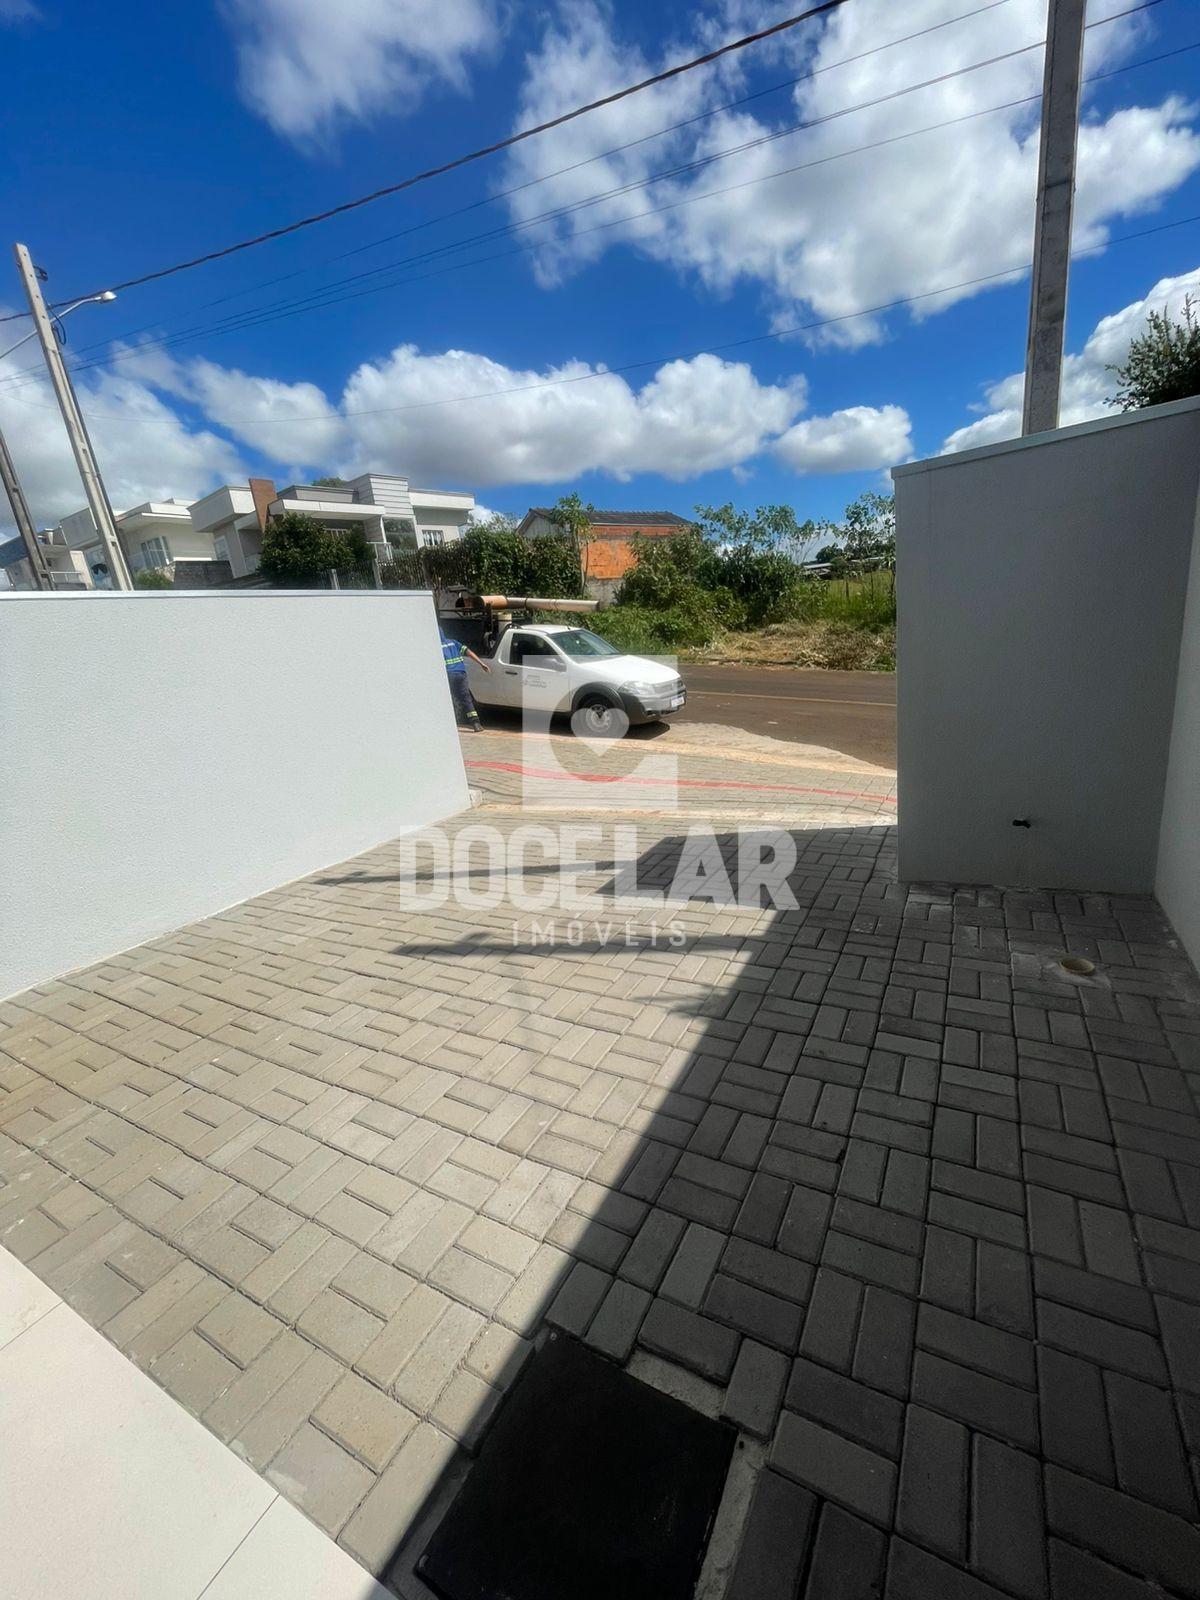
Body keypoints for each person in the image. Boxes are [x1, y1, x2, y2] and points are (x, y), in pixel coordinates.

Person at [440, 630, 490, 732]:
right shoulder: (453, 642)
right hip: (461, 674)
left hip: (447, 675)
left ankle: (447, 723)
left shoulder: (436, 646)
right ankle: (476, 724)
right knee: (466, 698)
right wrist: (481, 664)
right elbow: (468, 652)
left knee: (445, 699)